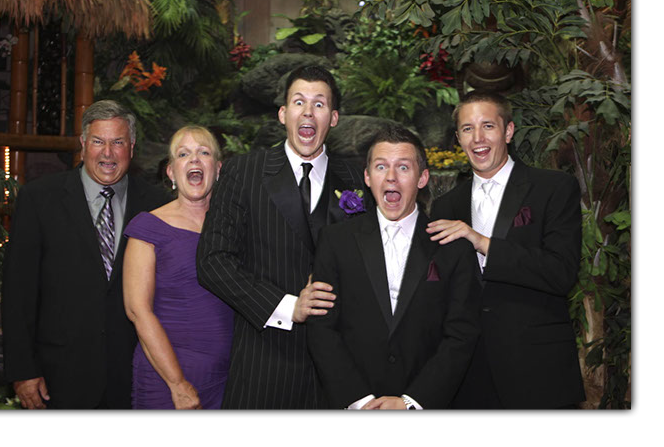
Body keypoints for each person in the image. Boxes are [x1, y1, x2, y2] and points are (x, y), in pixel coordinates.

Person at [196, 65, 371, 409]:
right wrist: (289, 307)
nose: (308, 112)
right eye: (299, 102)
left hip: (337, 376)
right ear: (282, 113)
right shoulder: (244, 171)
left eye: (319, 104)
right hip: (264, 367)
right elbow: (212, 262)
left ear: (334, 118)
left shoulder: (357, 178)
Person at [1, 100, 171, 409]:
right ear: (82, 144)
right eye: (98, 142)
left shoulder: (157, 205)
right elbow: (18, 292)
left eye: (118, 142)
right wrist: (23, 370)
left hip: (136, 377)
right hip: (59, 377)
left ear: (131, 147)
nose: (108, 153)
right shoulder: (39, 199)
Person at [426, 91, 586, 409]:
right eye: (468, 129)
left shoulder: (553, 188)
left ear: (508, 131)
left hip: (538, 372)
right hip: (469, 376)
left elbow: (561, 272)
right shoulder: (446, 205)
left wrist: (483, 243)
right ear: (458, 138)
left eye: (488, 126)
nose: (478, 138)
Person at [306, 124, 481, 409]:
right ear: (367, 176)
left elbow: (461, 335)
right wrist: (360, 401)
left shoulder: (453, 247)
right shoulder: (335, 241)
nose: (391, 177)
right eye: (381, 166)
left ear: (422, 178)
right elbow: (322, 328)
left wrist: (412, 402)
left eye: (403, 167)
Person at [123, 126, 233, 410]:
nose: (194, 159)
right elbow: (138, 311)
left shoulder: (233, 227)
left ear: (217, 168)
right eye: (183, 154)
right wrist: (177, 384)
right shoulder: (148, 227)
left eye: (204, 152)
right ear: (171, 172)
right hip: (168, 380)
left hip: (229, 380)